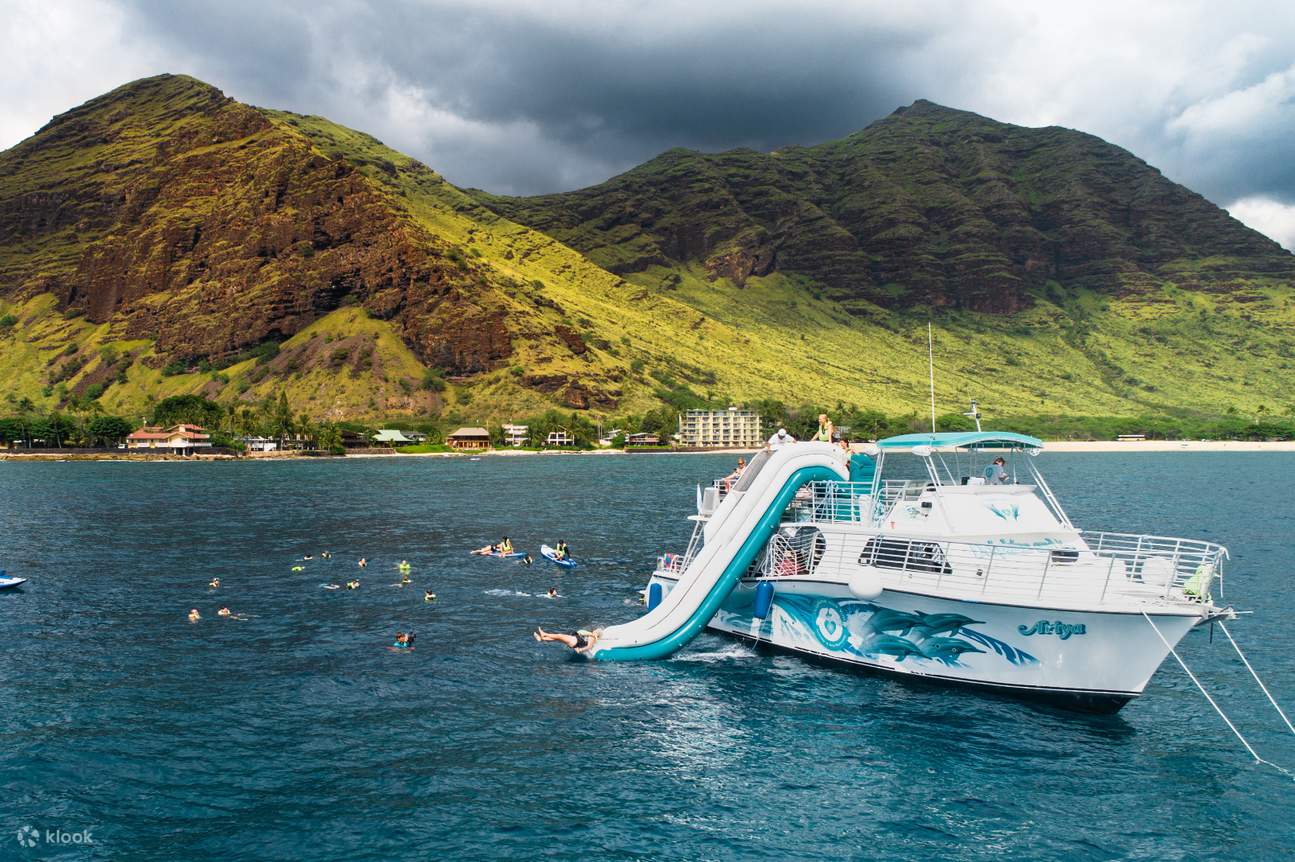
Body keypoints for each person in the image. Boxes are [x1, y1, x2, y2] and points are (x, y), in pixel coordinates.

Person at [533, 626, 600, 653]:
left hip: (576, 641)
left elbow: (589, 646)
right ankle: (541, 639)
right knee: (557, 639)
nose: (594, 630)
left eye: (596, 631)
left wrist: (580, 650)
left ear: (596, 634)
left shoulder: (592, 637)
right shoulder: (590, 635)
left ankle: (544, 634)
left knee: (559, 636)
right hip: (575, 641)